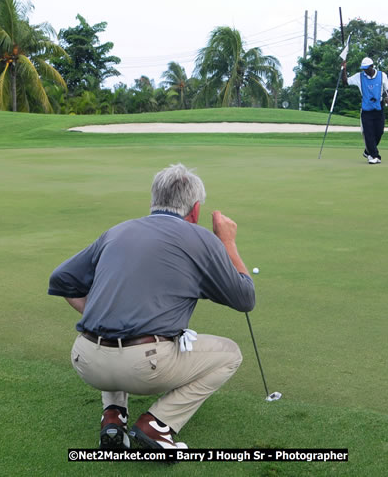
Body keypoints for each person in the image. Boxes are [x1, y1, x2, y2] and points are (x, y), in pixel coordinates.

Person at [48, 163, 255, 450]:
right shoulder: (202, 239)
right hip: (145, 365)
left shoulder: (117, 231)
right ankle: (158, 425)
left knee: (117, 331)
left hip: (86, 359)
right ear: (194, 211)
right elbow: (245, 298)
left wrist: (105, 313)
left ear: (152, 202)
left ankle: (113, 418)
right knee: (230, 354)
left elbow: (61, 280)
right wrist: (228, 243)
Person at [342, 56, 388, 165]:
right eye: (363, 69)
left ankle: (368, 151)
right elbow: (345, 82)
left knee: (379, 132)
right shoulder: (359, 76)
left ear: (372, 66)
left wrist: (387, 98)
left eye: (367, 69)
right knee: (368, 133)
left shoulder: (382, 75)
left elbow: (387, 89)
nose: (365, 71)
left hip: (379, 108)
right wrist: (343, 69)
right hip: (366, 110)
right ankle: (374, 155)